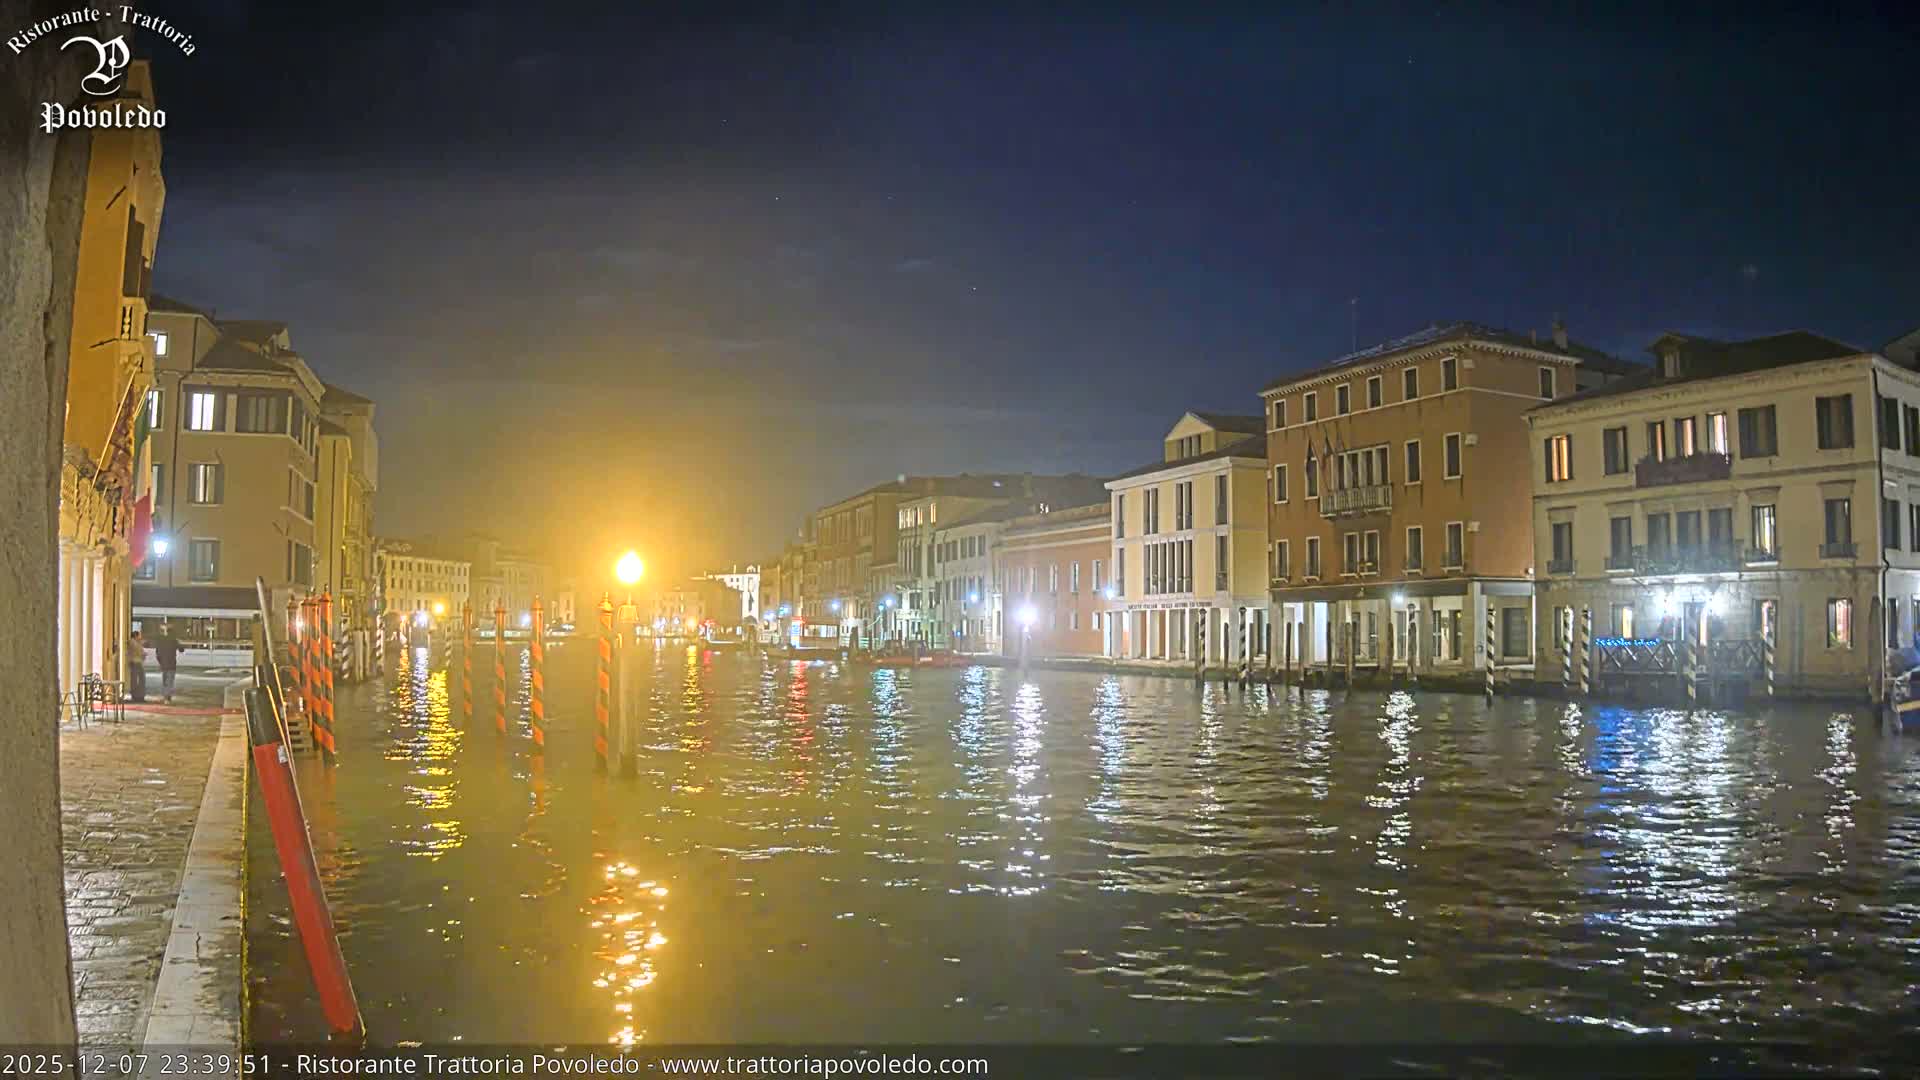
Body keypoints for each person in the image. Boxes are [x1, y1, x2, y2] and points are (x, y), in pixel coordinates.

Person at [154, 623, 182, 704]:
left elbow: (158, 652)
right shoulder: (174, 640)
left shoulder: (161, 640)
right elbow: (181, 649)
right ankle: (167, 697)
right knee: (170, 681)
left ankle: (165, 696)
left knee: (165, 680)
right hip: (171, 663)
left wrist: (160, 662)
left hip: (163, 663)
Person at [127, 629, 147, 703]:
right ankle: (138, 696)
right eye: (139, 635)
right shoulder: (133, 642)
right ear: (136, 636)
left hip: (136, 662)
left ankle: (137, 695)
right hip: (136, 662)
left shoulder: (135, 642)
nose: (140, 637)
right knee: (139, 680)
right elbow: (140, 652)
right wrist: (143, 653)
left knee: (136, 680)